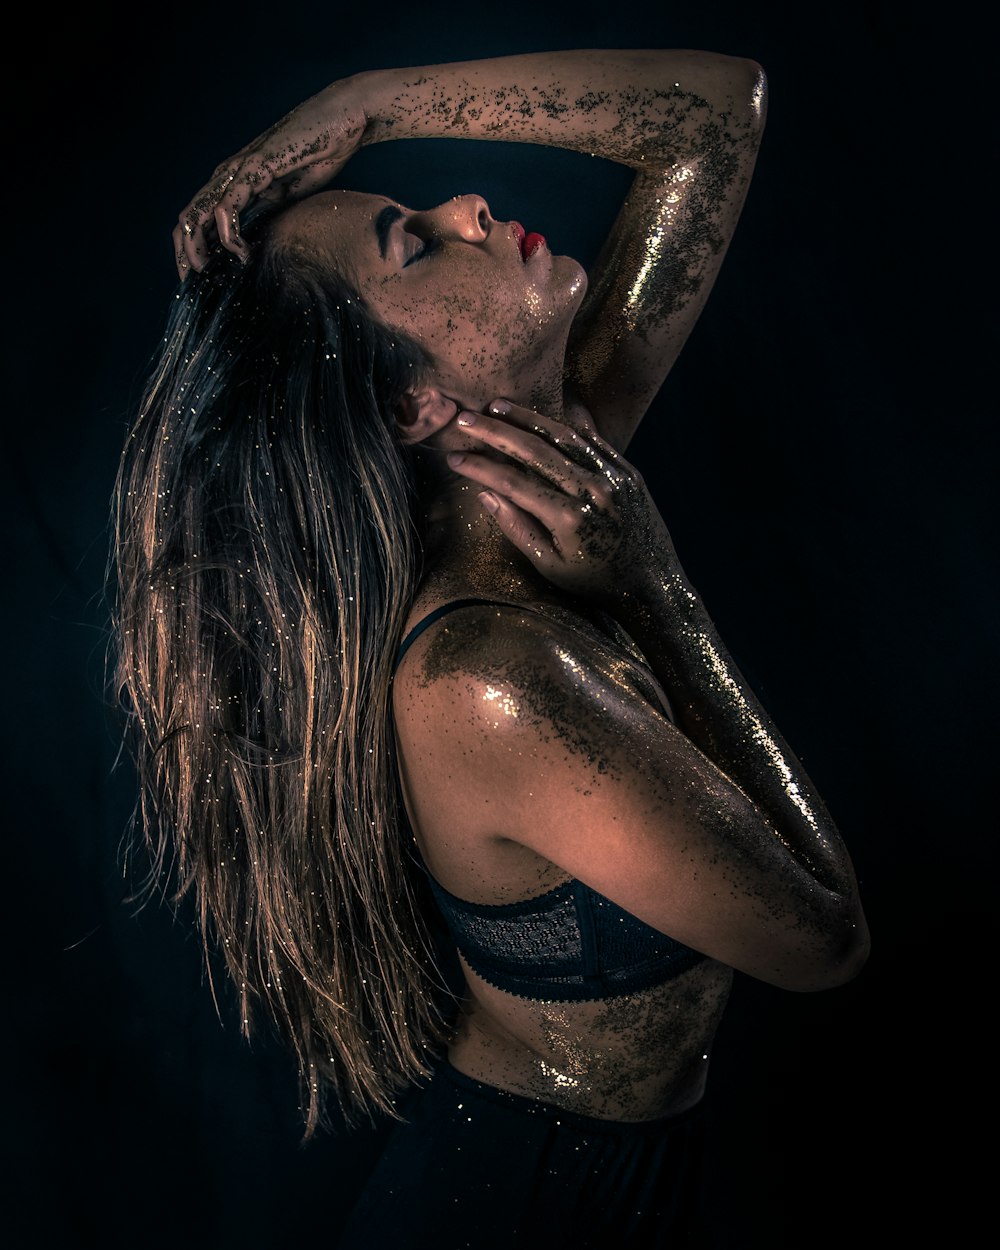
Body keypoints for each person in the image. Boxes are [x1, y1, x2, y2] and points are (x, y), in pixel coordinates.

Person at [112, 50, 870, 1249]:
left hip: (622, 1159)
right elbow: (824, 939)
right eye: (416, 241)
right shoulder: (484, 677)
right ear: (413, 405)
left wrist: (364, 99)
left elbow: (712, 117)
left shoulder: (562, 465)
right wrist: (657, 590)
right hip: (524, 1195)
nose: (468, 204)